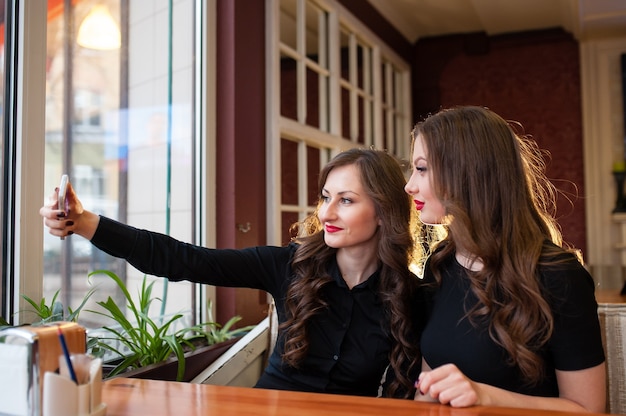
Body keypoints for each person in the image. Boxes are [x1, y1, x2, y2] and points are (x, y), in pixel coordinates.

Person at [40, 148, 422, 398]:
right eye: (325, 197)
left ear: (384, 211)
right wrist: (85, 222)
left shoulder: (414, 293)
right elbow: (181, 259)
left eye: (346, 200)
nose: (326, 213)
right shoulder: (288, 265)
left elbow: (405, 389)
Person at [405, 106, 606, 412]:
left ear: (467, 173)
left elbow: (587, 409)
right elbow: (429, 386)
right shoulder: (440, 264)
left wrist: (484, 396)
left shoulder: (558, 274)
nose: (409, 185)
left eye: (421, 169)